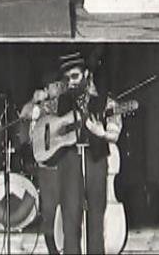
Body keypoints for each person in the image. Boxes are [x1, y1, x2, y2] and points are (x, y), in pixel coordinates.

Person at [52, 51, 122, 255]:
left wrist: (101, 132)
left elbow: (115, 133)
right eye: (67, 78)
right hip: (69, 162)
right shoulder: (58, 101)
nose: (71, 82)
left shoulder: (106, 101)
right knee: (70, 222)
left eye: (75, 76)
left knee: (96, 222)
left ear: (86, 74)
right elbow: (32, 117)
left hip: (95, 161)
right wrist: (37, 103)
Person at [19, 71, 66, 254]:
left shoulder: (67, 103)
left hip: (67, 164)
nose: (59, 87)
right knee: (50, 213)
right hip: (47, 168)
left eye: (61, 84)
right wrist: (34, 100)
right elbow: (24, 114)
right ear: (47, 89)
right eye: (55, 85)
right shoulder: (41, 107)